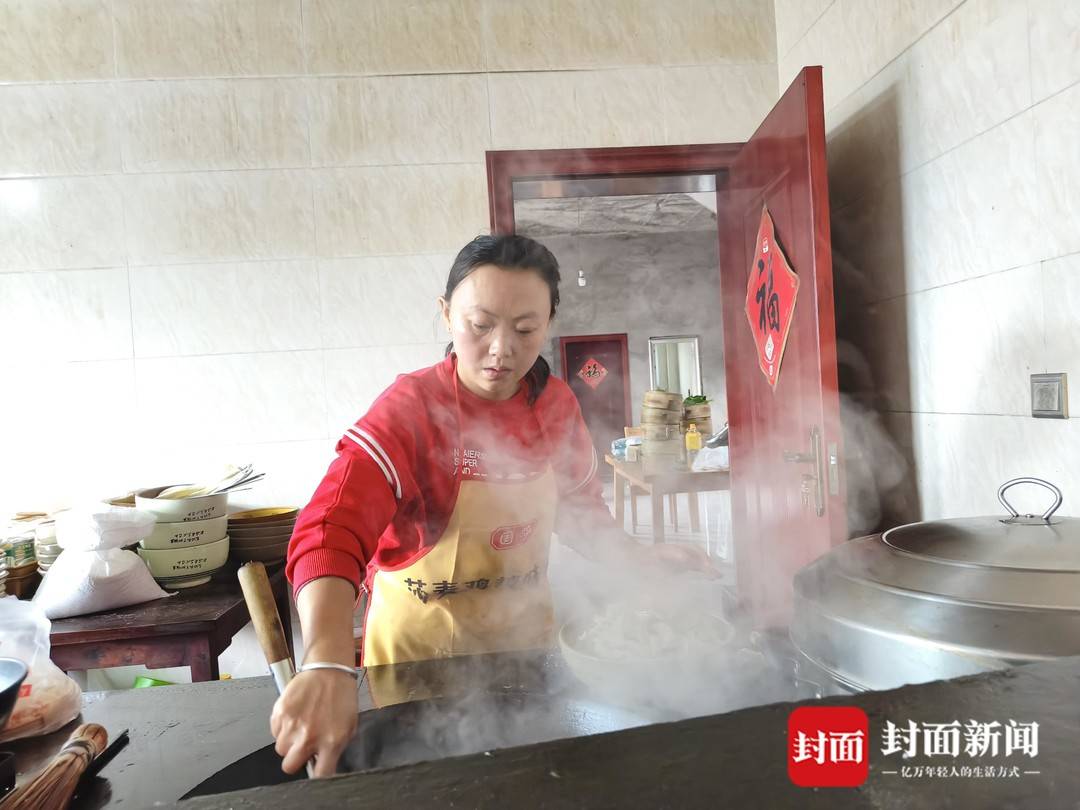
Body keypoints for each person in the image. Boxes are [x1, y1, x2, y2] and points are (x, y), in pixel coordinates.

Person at [273, 233, 713, 776]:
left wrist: (639, 557)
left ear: (549, 322)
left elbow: (581, 513)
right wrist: (326, 660)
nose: (502, 349)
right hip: (419, 667)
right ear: (445, 314)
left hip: (527, 654)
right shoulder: (412, 409)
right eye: (480, 325)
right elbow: (328, 529)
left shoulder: (556, 406)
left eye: (525, 329)